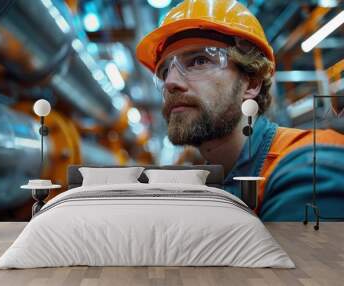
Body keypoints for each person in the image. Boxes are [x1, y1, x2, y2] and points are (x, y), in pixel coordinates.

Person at [135, 0, 344, 221]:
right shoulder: (215, 180)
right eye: (165, 70)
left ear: (251, 83)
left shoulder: (310, 170)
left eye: (198, 60)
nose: (170, 82)